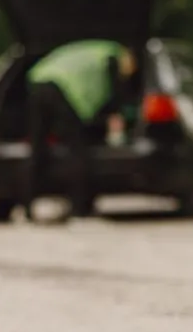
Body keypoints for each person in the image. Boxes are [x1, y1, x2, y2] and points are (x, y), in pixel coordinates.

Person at [24, 39, 138, 220]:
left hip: (38, 80)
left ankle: (27, 206)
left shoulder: (93, 50)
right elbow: (114, 94)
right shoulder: (111, 56)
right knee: (77, 150)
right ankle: (80, 207)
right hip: (64, 89)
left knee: (38, 147)